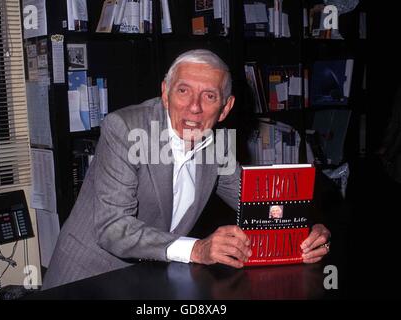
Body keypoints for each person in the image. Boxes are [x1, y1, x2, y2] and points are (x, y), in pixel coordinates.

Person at [42, 49, 331, 290]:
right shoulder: (126, 128)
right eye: (183, 91)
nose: (194, 108)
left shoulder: (218, 143)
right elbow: (113, 227)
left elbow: (259, 203)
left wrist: (307, 230)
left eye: (209, 96)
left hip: (151, 277)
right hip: (88, 278)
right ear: (165, 93)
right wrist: (197, 249)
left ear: (226, 107)